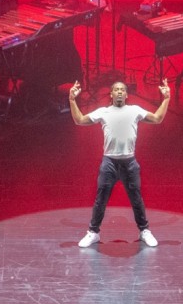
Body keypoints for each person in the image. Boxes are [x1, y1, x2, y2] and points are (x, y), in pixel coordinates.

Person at [69, 79, 171, 248]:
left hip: (129, 162)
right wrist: (72, 99)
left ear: (126, 95)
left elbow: (157, 118)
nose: (119, 92)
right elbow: (79, 120)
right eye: (116, 89)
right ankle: (93, 232)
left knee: (136, 199)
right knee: (101, 200)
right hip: (109, 162)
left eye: (122, 90)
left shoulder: (134, 110)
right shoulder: (103, 112)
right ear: (111, 94)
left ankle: (144, 231)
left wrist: (166, 98)